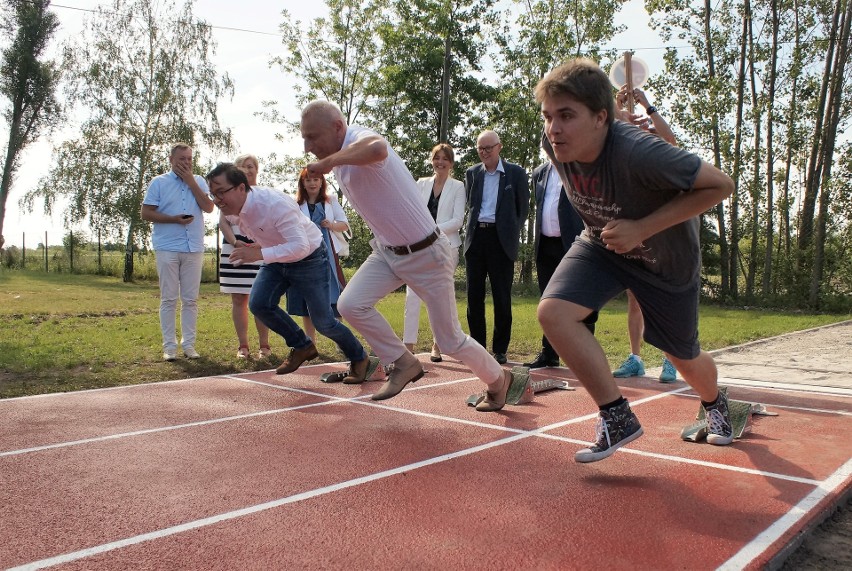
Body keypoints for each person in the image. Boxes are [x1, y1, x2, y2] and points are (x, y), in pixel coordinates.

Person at [534, 58, 736, 462]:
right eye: (548, 116)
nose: (554, 129)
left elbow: (721, 184)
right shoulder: (553, 145)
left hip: (664, 260)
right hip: (601, 244)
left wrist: (643, 228)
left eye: (567, 116)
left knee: (684, 358)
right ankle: (617, 416)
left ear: (600, 118)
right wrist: (621, 232)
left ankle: (716, 404)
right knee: (553, 313)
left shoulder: (639, 151)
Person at [300, 100, 512, 409]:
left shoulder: (360, 138)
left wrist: (329, 160)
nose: (307, 146)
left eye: (312, 136)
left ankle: (498, 380)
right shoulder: (342, 161)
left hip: (427, 253)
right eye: (304, 137)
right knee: (350, 304)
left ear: (336, 128)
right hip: (388, 252)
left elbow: (377, 149)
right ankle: (403, 362)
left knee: (450, 340)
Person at [206, 162, 369, 381]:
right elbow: (265, 233)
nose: (217, 200)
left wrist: (260, 254)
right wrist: (258, 247)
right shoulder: (234, 211)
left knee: (323, 322)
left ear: (241, 188)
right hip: (277, 257)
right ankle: (302, 346)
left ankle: (360, 358)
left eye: (221, 192)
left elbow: (300, 246)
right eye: (213, 194)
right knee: (259, 304)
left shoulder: (273, 204)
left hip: (309, 258)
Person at [610, 86, 679, 383]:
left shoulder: (661, 154)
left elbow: (670, 138)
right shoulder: (626, 155)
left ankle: (670, 359)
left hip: (662, 231)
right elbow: (610, 131)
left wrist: (646, 104)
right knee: (635, 298)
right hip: (633, 230)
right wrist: (617, 104)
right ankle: (636, 358)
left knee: (664, 298)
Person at [141, 143, 214, 361]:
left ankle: (189, 345)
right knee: (169, 298)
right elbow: (146, 213)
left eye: (190, 159)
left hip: (193, 246)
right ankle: (169, 347)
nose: (186, 163)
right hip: (167, 247)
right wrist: (173, 220)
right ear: (171, 160)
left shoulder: (199, 181)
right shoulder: (159, 183)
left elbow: (209, 207)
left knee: (190, 299)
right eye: (182, 159)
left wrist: (192, 182)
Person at [463, 130, 530, 365]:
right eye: (480, 148)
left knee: (502, 297)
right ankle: (477, 347)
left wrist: (509, 229)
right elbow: (471, 206)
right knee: (474, 297)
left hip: (501, 241)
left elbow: (524, 209)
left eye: (488, 148)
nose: (484, 152)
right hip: (476, 239)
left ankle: (500, 349)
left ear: (499, 147)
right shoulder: (472, 173)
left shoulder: (516, 173)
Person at [523, 160, 597, 369]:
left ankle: (586, 356)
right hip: (545, 245)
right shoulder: (539, 172)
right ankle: (549, 353)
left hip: (574, 244)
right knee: (548, 301)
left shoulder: (580, 168)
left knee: (581, 298)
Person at [402, 143, 466, 363]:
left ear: (451, 163)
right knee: (412, 296)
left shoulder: (458, 186)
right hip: (418, 247)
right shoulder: (421, 183)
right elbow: (410, 210)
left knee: (440, 298)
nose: (440, 162)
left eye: (444, 159)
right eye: (436, 158)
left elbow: (458, 220)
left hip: (446, 247)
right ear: (432, 160)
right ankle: (408, 347)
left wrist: (433, 231)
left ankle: (438, 344)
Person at [218, 154, 271, 359]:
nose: (247, 170)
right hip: (234, 249)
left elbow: (269, 222)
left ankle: (264, 346)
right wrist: (235, 242)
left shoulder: (263, 194)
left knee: (260, 298)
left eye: (251, 166)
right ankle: (243, 347)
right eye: (242, 166)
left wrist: (260, 243)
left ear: (257, 170)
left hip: (259, 249)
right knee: (239, 299)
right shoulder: (227, 194)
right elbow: (223, 223)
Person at [289, 167, 350, 342]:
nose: (312, 183)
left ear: (322, 181)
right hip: (305, 253)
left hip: (328, 252)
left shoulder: (331, 201)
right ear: (303, 183)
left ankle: (341, 340)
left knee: (335, 293)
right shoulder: (296, 204)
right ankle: (311, 340)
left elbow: (344, 224)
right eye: (308, 180)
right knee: (306, 295)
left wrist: (331, 225)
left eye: (316, 179)